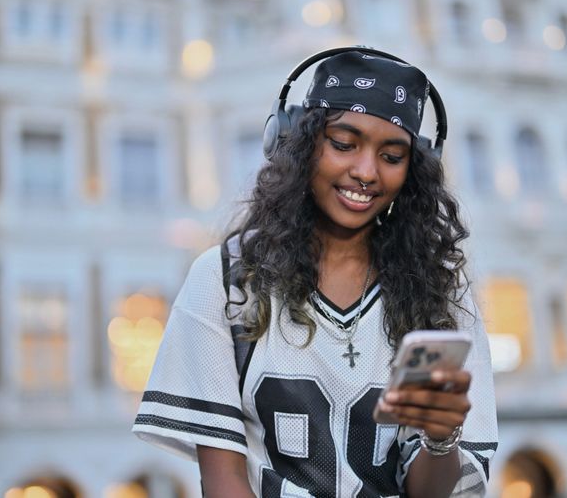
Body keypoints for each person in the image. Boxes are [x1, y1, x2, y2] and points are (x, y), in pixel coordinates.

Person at [133, 48, 498, 497]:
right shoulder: (226, 279)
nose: (366, 171)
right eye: (344, 144)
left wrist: (442, 440)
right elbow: (223, 479)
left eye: (392, 155)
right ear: (299, 144)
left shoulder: (440, 293)